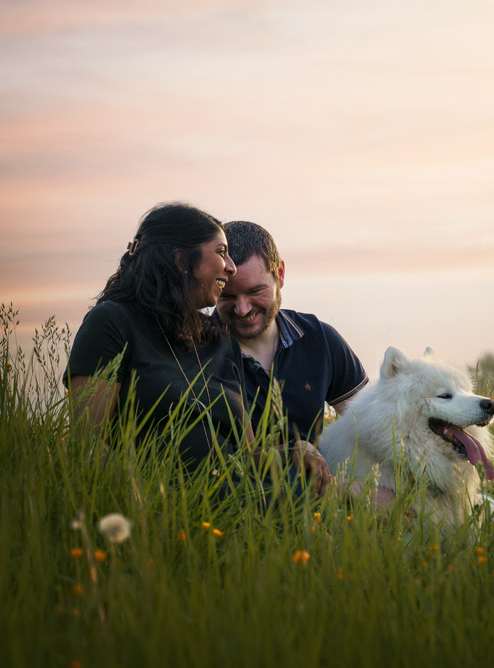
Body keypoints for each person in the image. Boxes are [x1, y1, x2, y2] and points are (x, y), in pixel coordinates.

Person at [64, 203, 331, 494]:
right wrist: (148, 504)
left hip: (244, 497)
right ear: (182, 260)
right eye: (220, 252)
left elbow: (248, 457)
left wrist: (294, 450)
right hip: (167, 507)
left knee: (346, 518)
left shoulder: (222, 342)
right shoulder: (112, 323)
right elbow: (87, 444)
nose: (230, 266)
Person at [214, 220, 369, 444]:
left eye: (255, 291)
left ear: (280, 274)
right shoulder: (196, 350)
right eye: (227, 296)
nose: (243, 309)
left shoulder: (320, 338)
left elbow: (370, 427)